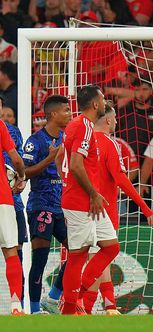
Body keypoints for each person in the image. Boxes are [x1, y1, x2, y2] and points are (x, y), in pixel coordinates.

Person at [82, 101, 153, 315]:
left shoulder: (82, 140)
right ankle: (81, 307)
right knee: (98, 261)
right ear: (107, 119)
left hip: (80, 209)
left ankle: (110, 306)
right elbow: (121, 180)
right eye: (114, 118)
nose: (116, 122)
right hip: (103, 211)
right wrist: (144, 206)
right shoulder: (108, 143)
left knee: (98, 259)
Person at [56, 85, 120, 315]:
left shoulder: (81, 126)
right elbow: (74, 163)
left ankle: (77, 297)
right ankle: (70, 309)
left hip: (90, 199)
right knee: (78, 254)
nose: (104, 103)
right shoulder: (82, 125)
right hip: (81, 201)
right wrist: (92, 192)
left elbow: (61, 158)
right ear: (95, 104)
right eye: (102, 99)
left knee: (111, 247)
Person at [22, 95, 72, 314]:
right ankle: (34, 310)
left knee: (78, 250)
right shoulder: (36, 141)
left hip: (61, 206)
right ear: (53, 114)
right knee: (40, 260)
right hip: (41, 206)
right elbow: (24, 172)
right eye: (66, 110)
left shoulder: (67, 138)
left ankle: (52, 298)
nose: (70, 114)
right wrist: (49, 159)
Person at [0, 106, 26, 315]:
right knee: (10, 251)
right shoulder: (1, 126)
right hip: (2, 198)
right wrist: (21, 176)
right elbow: (16, 159)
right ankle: (16, 305)